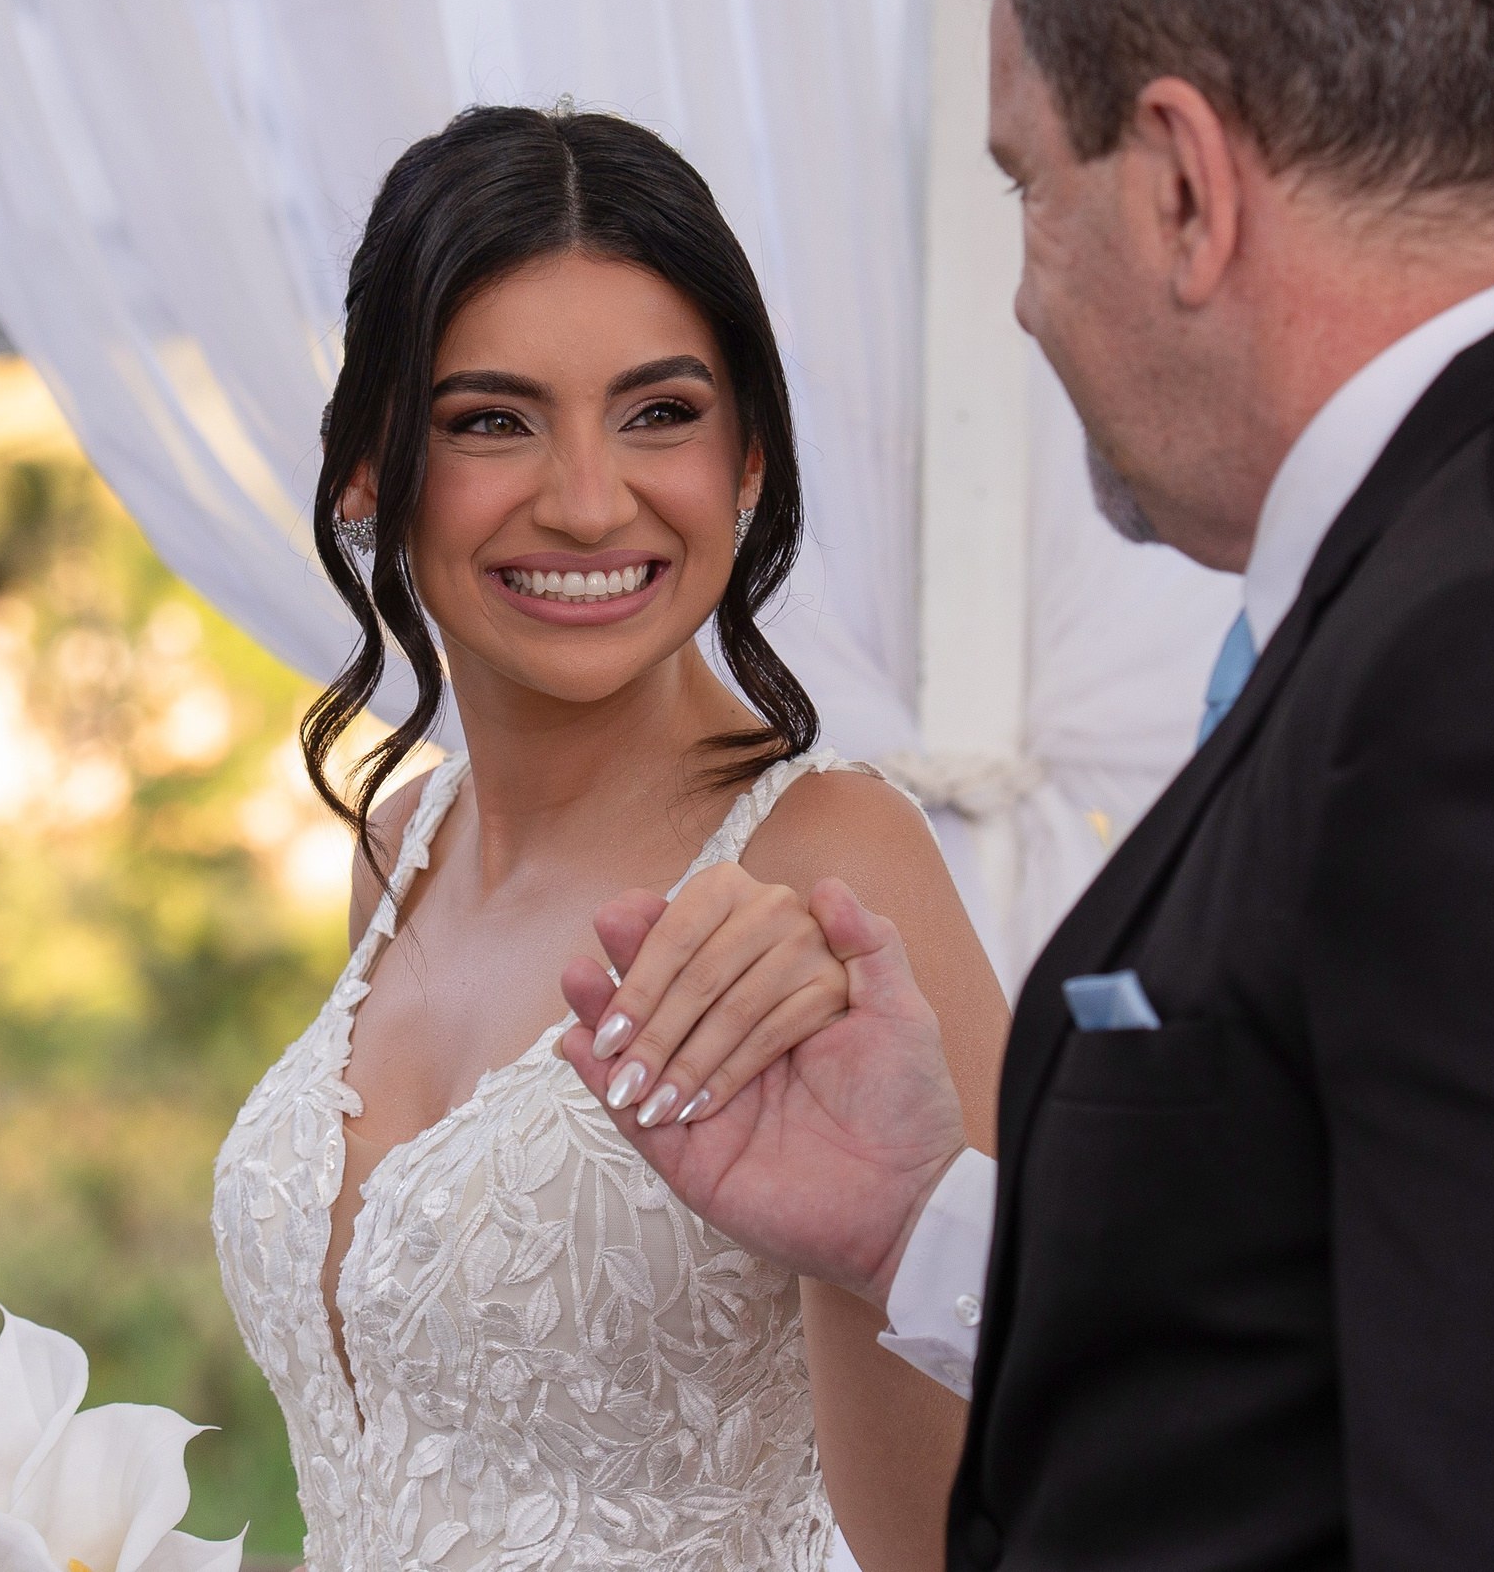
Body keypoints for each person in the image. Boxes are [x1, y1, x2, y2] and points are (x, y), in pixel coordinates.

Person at [562, 0, 1494, 1567]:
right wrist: (915, 1223)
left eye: (1024, 184)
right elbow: (1359, 1321)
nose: (1017, 300)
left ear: (1179, 186)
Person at [209, 105, 1010, 1572]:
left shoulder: (834, 866)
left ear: (749, 459)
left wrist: (872, 1246)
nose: (587, 501)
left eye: (660, 414)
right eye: (491, 421)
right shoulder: (403, 842)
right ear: (372, 475)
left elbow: (1003, 1513)